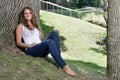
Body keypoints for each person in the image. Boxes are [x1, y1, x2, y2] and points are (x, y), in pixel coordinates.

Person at [16, 7, 76, 77]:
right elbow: (18, 43)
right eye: (25, 13)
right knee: (49, 42)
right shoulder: (21, 26)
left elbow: (36, 39)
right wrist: (29, 46)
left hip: (40, 48)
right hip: (32, 50)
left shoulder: (35, 25)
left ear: (32, 14)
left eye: (29, 13)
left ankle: (58, 61)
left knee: (55, 33)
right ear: (23, 15)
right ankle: (65, 66)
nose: (27, 15)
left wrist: (42, 44)